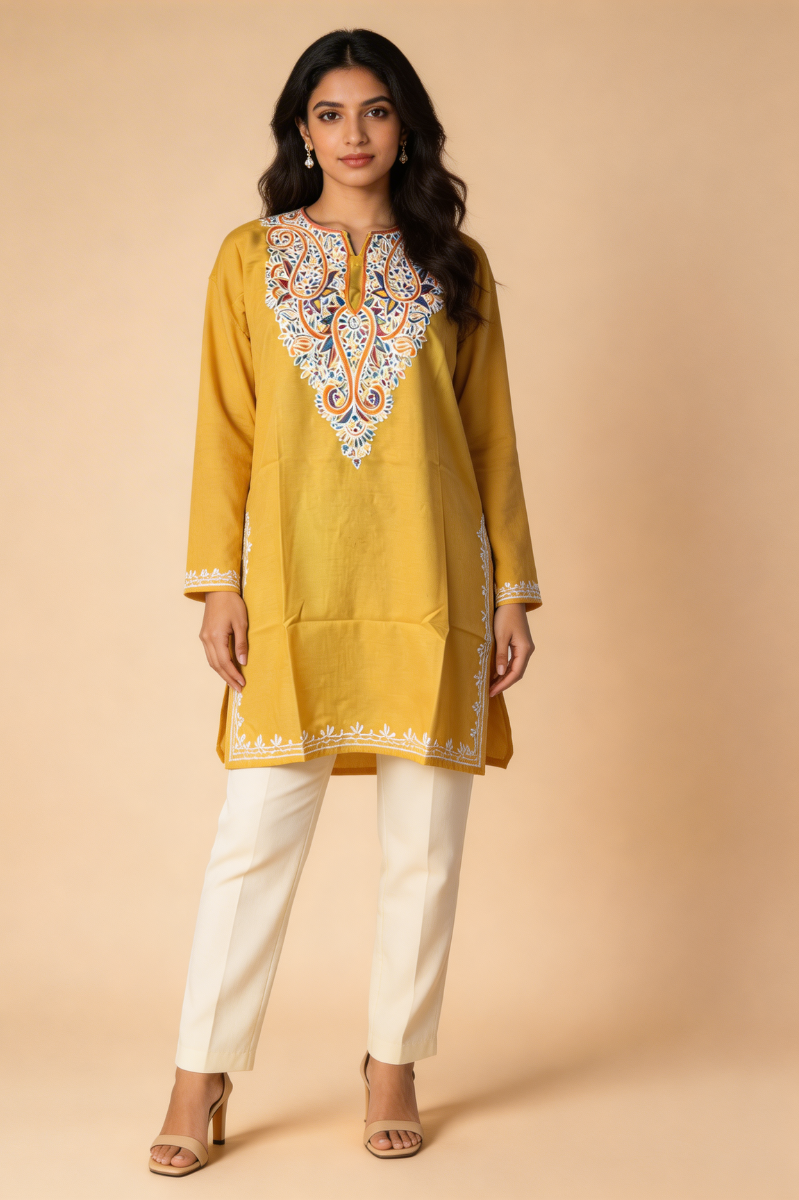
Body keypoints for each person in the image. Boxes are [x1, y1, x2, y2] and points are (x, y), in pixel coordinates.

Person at [149, 27, 541, 1176]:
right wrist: (219, 582)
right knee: (253, 837)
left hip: (431, 580)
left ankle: (393, 1065)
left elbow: (491, 436)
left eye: (375, 110)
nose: (354, 133)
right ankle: (199, 1075)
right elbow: (225, 427)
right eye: (330, 113)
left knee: (426, 844)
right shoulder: (249, 259)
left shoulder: (454, 263)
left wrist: (512, 594)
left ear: (404, 126)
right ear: (302, 131)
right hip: (294, 582)